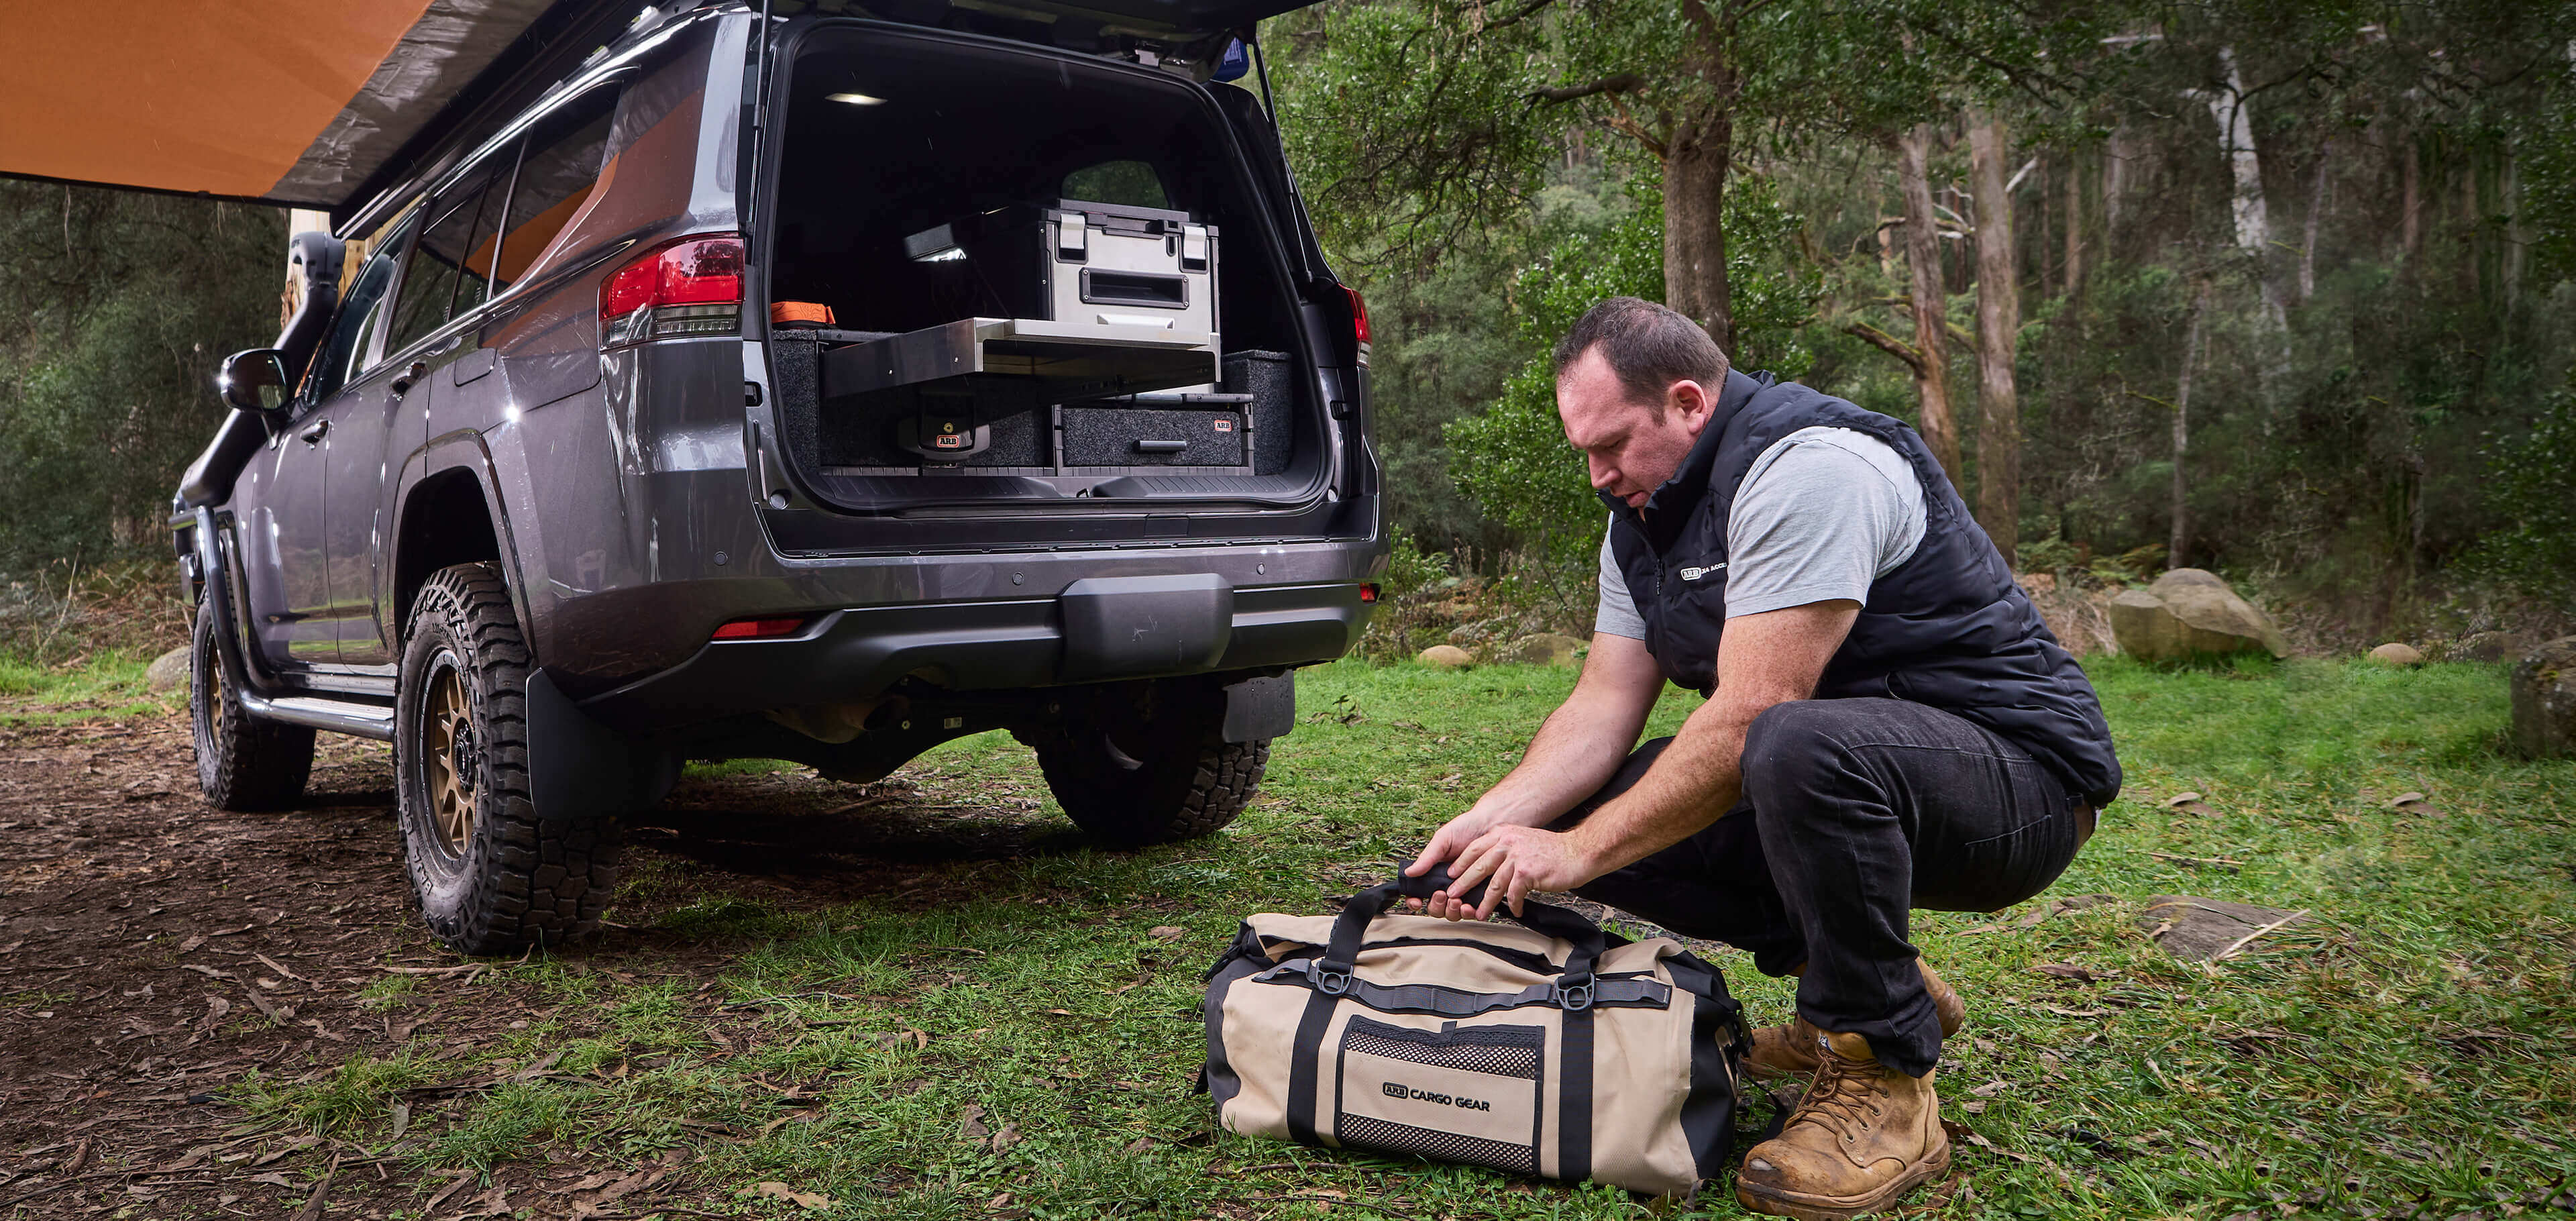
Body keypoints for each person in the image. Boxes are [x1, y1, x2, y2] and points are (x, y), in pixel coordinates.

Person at [1405, 297, 2121, 1218]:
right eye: (1583, 450)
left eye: (1613, 443)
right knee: (1619, 794)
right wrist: (1491, 828)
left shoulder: (1808, 467)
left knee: (1788, 742)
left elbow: (1753, 715)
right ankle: (1865, 982)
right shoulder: (1643, 521)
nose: (1597, 474)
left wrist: (1577, 855)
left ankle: (1888, 1070)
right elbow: (1599, 707)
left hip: (2022, 788)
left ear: (1690, 403)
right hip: (1849, 772)